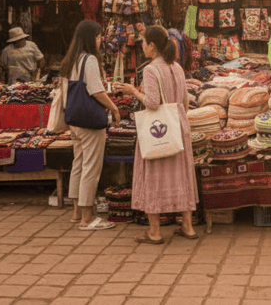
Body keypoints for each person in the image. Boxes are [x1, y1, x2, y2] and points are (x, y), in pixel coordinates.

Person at [114, 26, 199, 244]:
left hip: (158, 128)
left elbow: (152, 102)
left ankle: (154, 231)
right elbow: (185, 101)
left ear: (152, 45)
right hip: (178, 123)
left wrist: (133, 91)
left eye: (143, 43)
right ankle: (187, 226)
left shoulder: (151, 69)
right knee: (181, 174)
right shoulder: (177, 67)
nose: (142, 47)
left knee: (154, 176)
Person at [63, 20, 120, 231]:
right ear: (90, 38)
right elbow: (96, 91)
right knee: (91, 168)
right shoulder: (90, 60)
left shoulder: (72, 59)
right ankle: (87, 218)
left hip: (75, 120)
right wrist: (114, 108)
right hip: (90, 122)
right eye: (98, 36)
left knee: (78, 164)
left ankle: (77, 212)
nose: (100, 40)